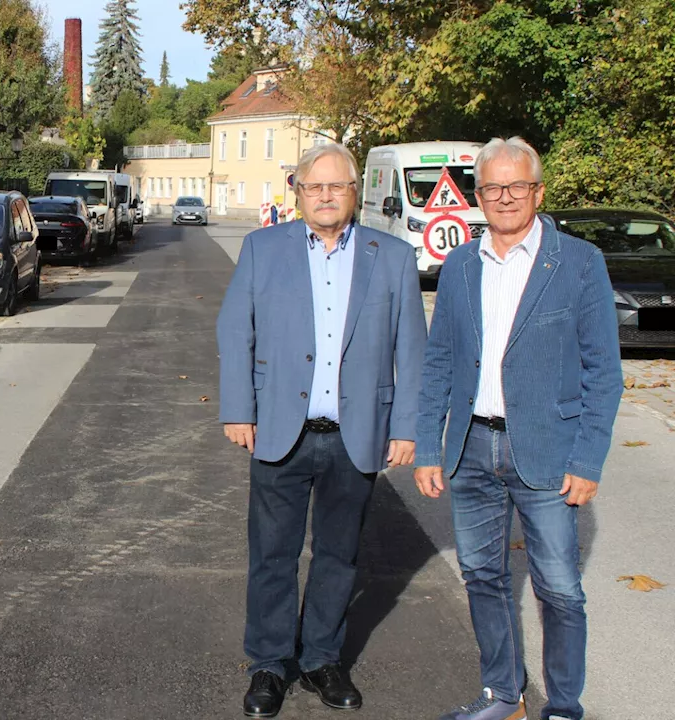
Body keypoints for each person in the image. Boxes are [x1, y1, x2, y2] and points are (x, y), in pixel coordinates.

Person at [414, 137, 623, 720]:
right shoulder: (459, 266)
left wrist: (587, 461)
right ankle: (503, 695)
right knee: (483, 576)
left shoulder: (579, 263)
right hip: (472, 447)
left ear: (538, 191)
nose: (505, 198)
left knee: (559, 587)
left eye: (517, 186)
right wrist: (430, 445)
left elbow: (605, 373)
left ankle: (563, 705)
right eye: (492, 188)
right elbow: (439, 363)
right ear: (478, 196)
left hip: (549, 453)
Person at [216, 143, 427, 718]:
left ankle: (321, 660)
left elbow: (413, 350)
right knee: (272, 556)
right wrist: (238, 409)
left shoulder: (394, 256)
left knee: (338, 556)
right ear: (299, 193)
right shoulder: (263, 248)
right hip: (279, 429)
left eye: (338, 186)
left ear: (355, 192)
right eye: (316, 187)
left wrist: (407, 425)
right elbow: (237, 331)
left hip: (356, 432)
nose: (327, 196)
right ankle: (268, 664)